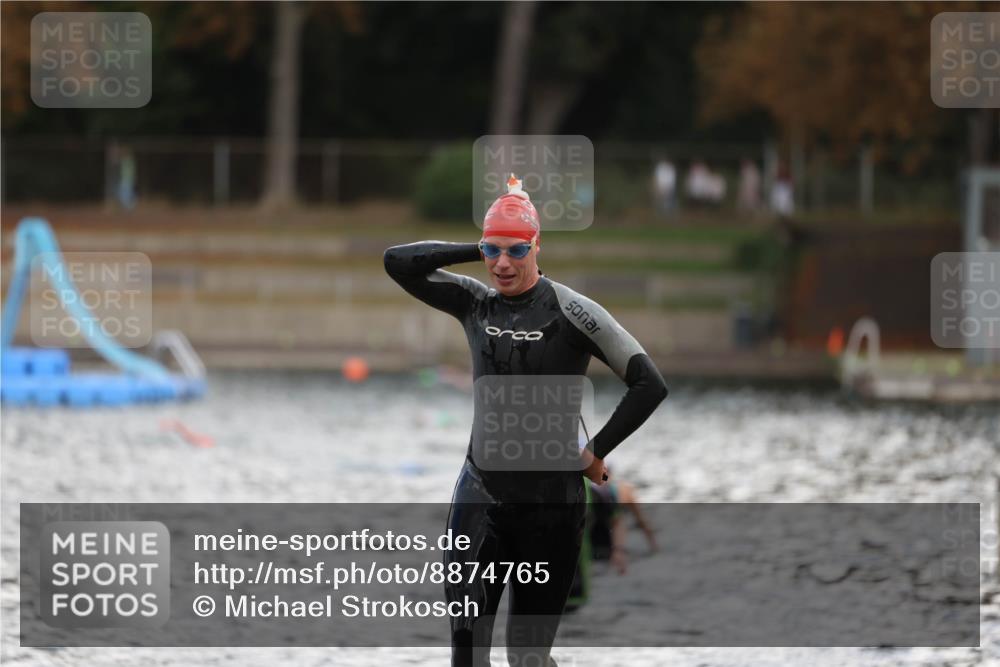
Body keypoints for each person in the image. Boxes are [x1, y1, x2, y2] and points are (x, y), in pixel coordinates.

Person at [384, 175, 668, 666]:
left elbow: (649, 384)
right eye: (492, 251)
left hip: (551, 507)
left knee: (528, 659)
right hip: (481, 495)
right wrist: (476, 246)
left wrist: (594, 451)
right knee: (467, 655)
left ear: (538, 246)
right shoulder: (475, 302)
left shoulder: (573, 311)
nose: (502, 264)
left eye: (516, 251)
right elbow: (398, 263)